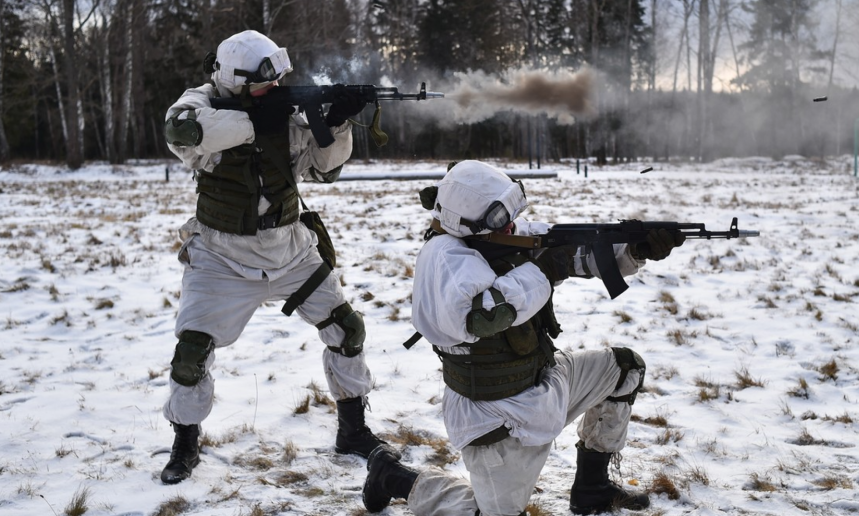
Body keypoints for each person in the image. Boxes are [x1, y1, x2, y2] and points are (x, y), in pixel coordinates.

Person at [362, 160, 685, 515]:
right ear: (466, 221)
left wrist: (633, 249)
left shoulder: (497, 235)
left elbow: (573, 254)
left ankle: (593, 487)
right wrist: (545, 269)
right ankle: (393, 477)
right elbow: (484, 315)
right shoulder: (444, 261)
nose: (512, 225)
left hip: (544, 383)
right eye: (501, 219)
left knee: (624, 369)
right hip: (495, 420)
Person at [160, 30, 391, 485]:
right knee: (191, 355)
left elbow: (326, 171)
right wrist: (258, 120)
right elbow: (182, 131)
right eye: (264, 84)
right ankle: (185, 440)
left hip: (290, 248)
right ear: (236, 81)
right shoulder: (198, 102)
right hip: (220, 256)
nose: (275, 88)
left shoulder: (285, 111)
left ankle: (353, 430)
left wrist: (337, 122)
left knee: (347, 328)